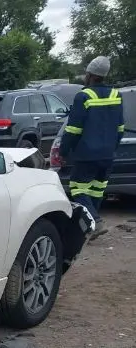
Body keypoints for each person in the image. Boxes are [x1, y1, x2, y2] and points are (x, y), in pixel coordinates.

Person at [60, 56, 125, 235]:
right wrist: (112, 148)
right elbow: (120, 128)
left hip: (87, 155)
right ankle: (92, 227)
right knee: (96, 190)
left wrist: (64, 151)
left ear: (90, 74)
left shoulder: (83, 96)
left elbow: (73, 130)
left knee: (78, 188)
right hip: (108, 155)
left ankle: (95, 221)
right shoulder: (116, 95)